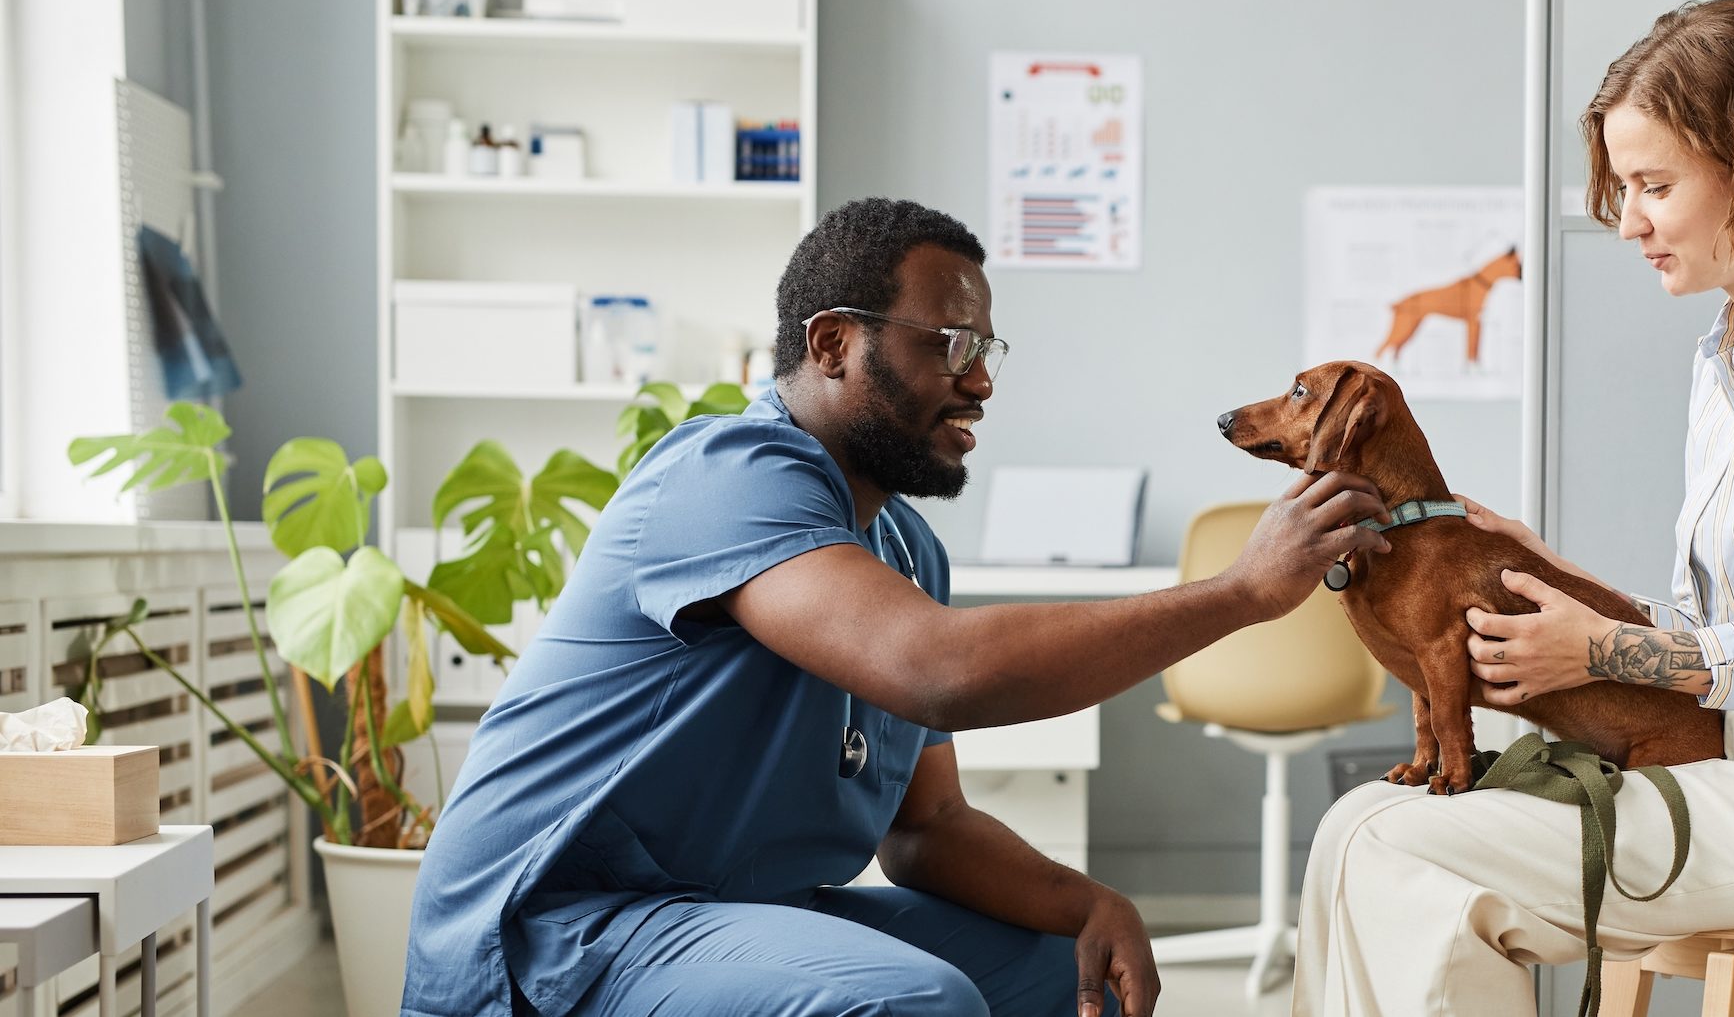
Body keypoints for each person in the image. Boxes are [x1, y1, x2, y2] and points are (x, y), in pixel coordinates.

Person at [400, 197, 1392, 1017]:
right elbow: (938, 671)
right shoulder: (727, 474)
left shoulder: (904, 546)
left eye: (987, 343)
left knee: (1057, 966)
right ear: (831, 343)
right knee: (909, 1000)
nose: (981, 379)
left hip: (733, 911)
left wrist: (1084, 900)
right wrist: (1240, 590)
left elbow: (927, 828)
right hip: (565, 932)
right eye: (951, 342)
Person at [1291, 0, 1734, 1016]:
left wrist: (1602, 649)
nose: (1626, 222)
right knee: (1356, 825)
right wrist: (1568, 590)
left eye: (1653, 185)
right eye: (1622, 188)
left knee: (1407, 851)